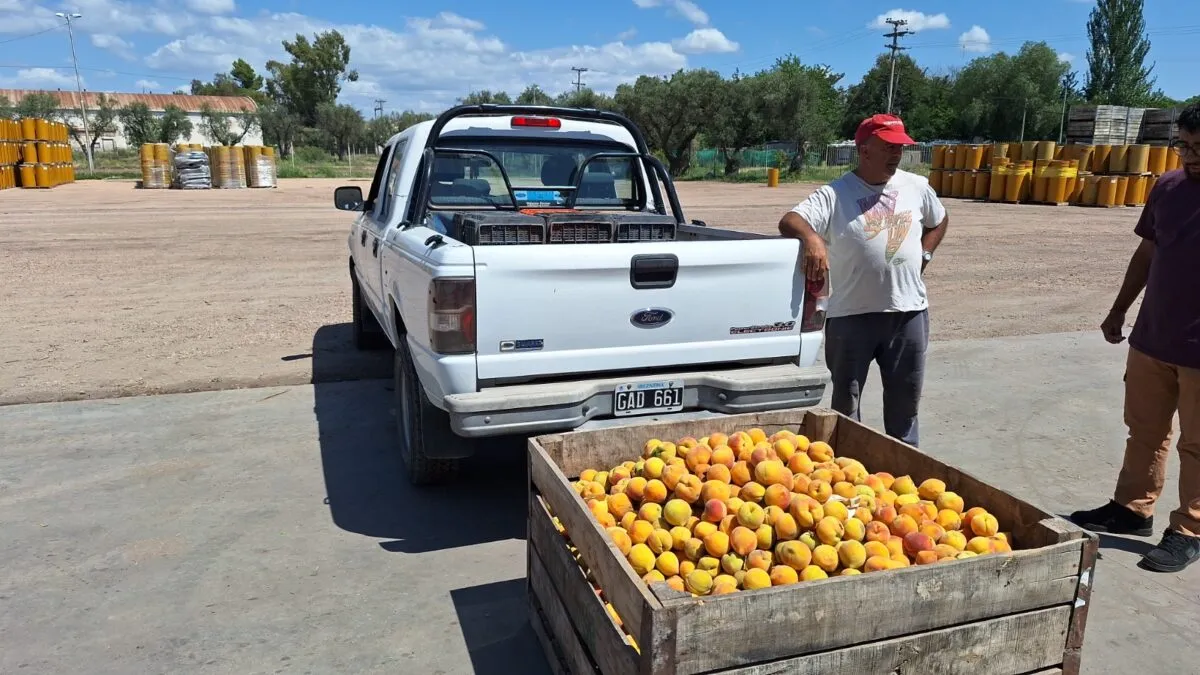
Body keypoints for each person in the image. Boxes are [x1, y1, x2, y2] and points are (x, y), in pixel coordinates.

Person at [1069, 101, 1200, 573]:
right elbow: (1147, 253)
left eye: (1199, 148)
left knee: (1197, 444)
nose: (1190, 157)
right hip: (1154, 338)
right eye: (1184, 146)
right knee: (1144, 430)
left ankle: (1189, 529)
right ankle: (1132, 508)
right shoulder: (1167, 187)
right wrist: (1118, 310)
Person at [778, 114, 948, 447]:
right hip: (851, 316)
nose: (896, 154)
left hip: (908, 313)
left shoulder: (916, 186)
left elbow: (939, 221)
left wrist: (925, 254)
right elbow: (791, 220)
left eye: (900, 147)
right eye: (888, 147)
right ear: (864, 150)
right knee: (846, 406)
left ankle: (904, 475)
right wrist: (812, 239)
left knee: (905, 407)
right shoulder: (836, 193)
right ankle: (848, 475)